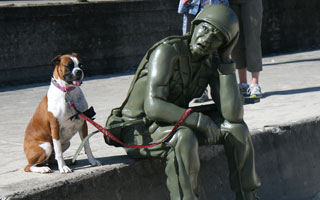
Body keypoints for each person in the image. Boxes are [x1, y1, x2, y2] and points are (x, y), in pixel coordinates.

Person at [105, 5, 260, 200]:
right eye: (205, 29)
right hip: (139, 130)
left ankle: (248, 196)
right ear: (194, 26)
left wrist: (226, 60)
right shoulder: (168, 51)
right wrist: (198, 121)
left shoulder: (212, 59)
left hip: (173, 122)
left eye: (216, 37)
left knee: (237, 129)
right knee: (183, 137)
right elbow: (153, 106)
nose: (206, 39)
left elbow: (234, 115)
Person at [229, 0, 263, 98]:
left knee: (253, 40)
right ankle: (243, 84)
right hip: (230, 2)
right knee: (236, 42)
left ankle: (255, 83)